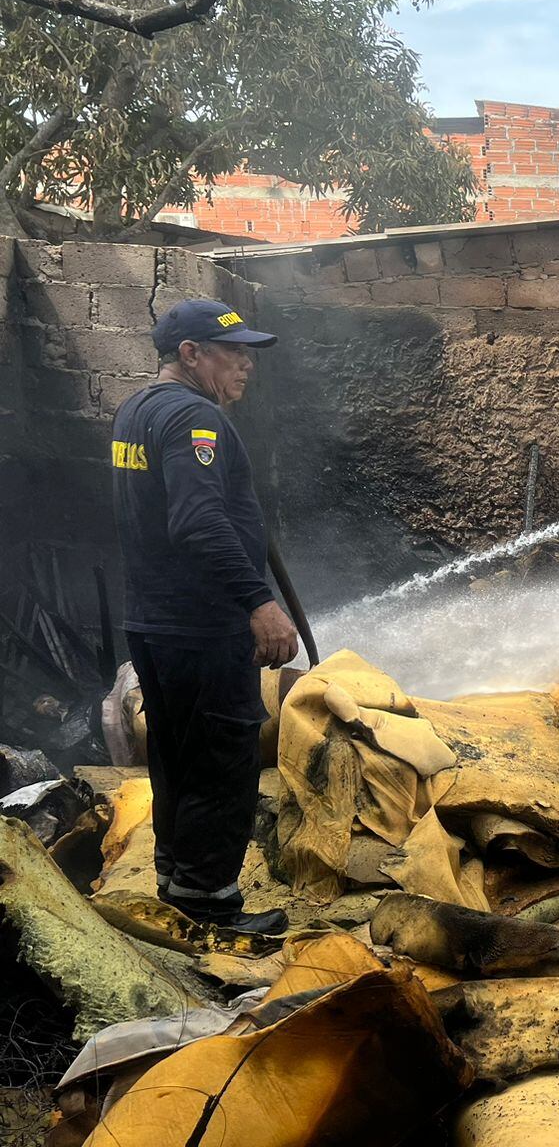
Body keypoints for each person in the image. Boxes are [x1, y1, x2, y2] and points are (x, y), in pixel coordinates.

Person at [111, 299, 299, 936]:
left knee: (175, 757)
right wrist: (258, 602)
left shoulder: (136, 410)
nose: (247, 364)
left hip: (154, 623)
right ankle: (211, 905)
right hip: (201, 626)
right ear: (191, 354)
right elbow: (196, 521)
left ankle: (176, 884)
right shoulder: (196, 417)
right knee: (222, 762)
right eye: (234, 352)